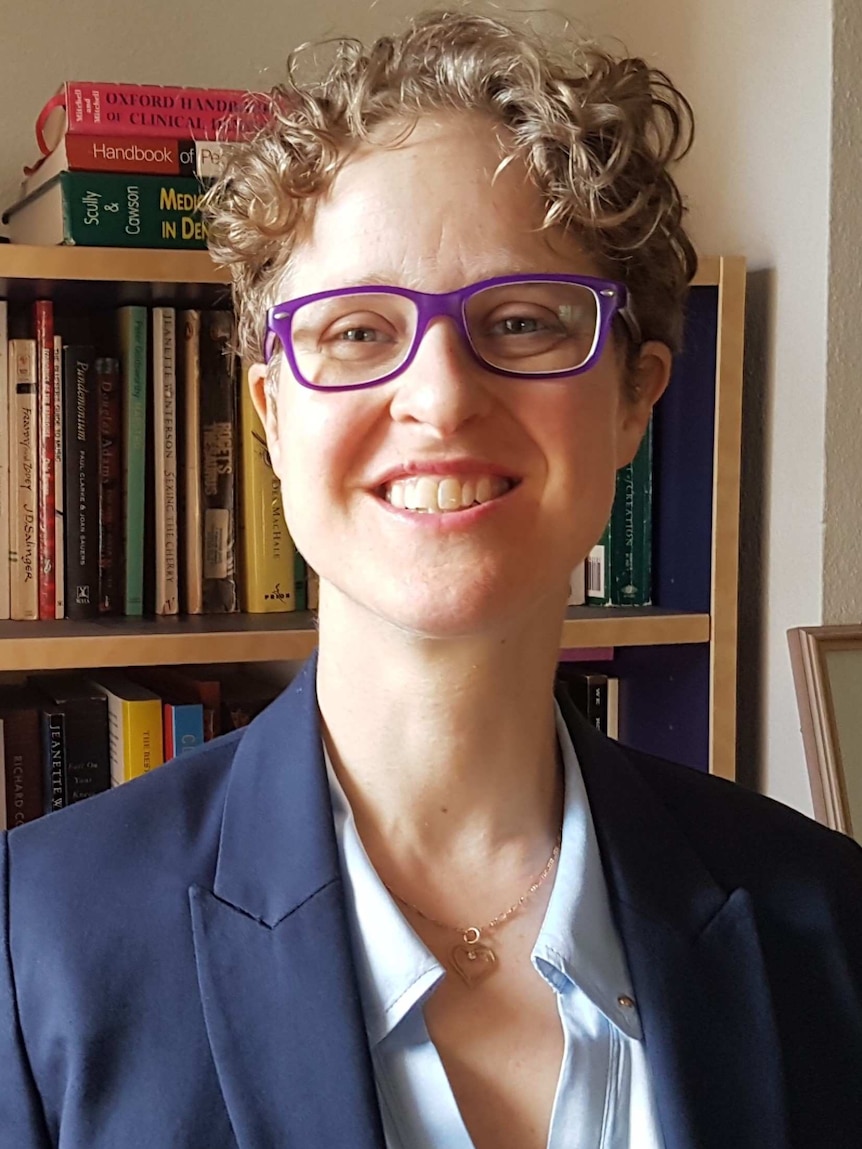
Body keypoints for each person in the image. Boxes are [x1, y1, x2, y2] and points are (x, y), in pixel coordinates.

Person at [2, 10, 862, 1149]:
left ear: (635, 401)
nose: (442, 397)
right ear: (270, 412)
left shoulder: (829, 925)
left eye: (521, 322)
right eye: (356, 331)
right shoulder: (30, 944)